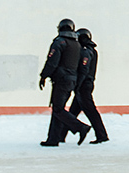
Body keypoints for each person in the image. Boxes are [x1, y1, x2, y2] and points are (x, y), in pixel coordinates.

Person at [39, 18, 90, 146]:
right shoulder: (77, 44)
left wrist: (44, 75)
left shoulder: (59, 42)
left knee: (58, 109)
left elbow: (52, 61)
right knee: (58, 108)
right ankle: (53, 139)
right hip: (71, 80)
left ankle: (80, 127)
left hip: (61, 80)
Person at [54, 28, 110, 144]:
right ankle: (61, 135)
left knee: (91, 112)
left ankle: (101, 135)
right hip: (85, 84)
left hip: (84, 85)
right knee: (73, 112)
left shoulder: (85, 51)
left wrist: (77, 85)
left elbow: (84, 70)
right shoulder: (92, 50)